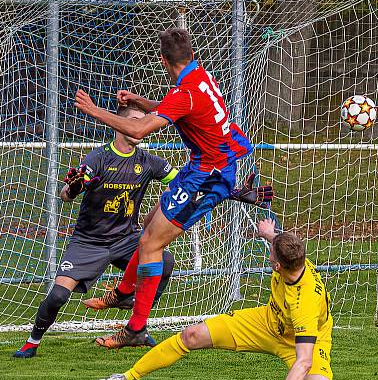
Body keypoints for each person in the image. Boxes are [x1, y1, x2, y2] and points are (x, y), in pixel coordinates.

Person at [14, 106, 271, 358]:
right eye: (135, 121)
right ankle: (32, 341)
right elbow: (66, 194)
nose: (140, 128)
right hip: (90, 242)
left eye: (143, 122)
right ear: (120, 125)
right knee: (58, 295)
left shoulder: (149, 161)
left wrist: (234, 192)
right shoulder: (98, 157)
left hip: (127, 238)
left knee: (165, 261)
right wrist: (73, 188)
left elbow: (193, 187)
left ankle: (137, 320)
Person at [75, 27, 255, 349]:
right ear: (191, 55)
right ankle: (124, 293)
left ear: (162, 60)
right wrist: (138, 101)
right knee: (148, 228)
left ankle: (135, 327)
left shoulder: (184, 93)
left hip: (209, 176)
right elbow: (174, 107)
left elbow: (139, 129)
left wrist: (93, 110)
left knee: (150, 243)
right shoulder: (199, 77)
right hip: (203, 166)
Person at [94, 218, 334, 380]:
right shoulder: (295, 257)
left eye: (271, 253)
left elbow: (303, 359)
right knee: (191, 335)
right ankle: (125, 378)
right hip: (266, 323)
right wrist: (268, 233)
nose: (269, 254)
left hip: (304, 341)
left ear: (278, 266)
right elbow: (281, 242)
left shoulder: (305, 303)